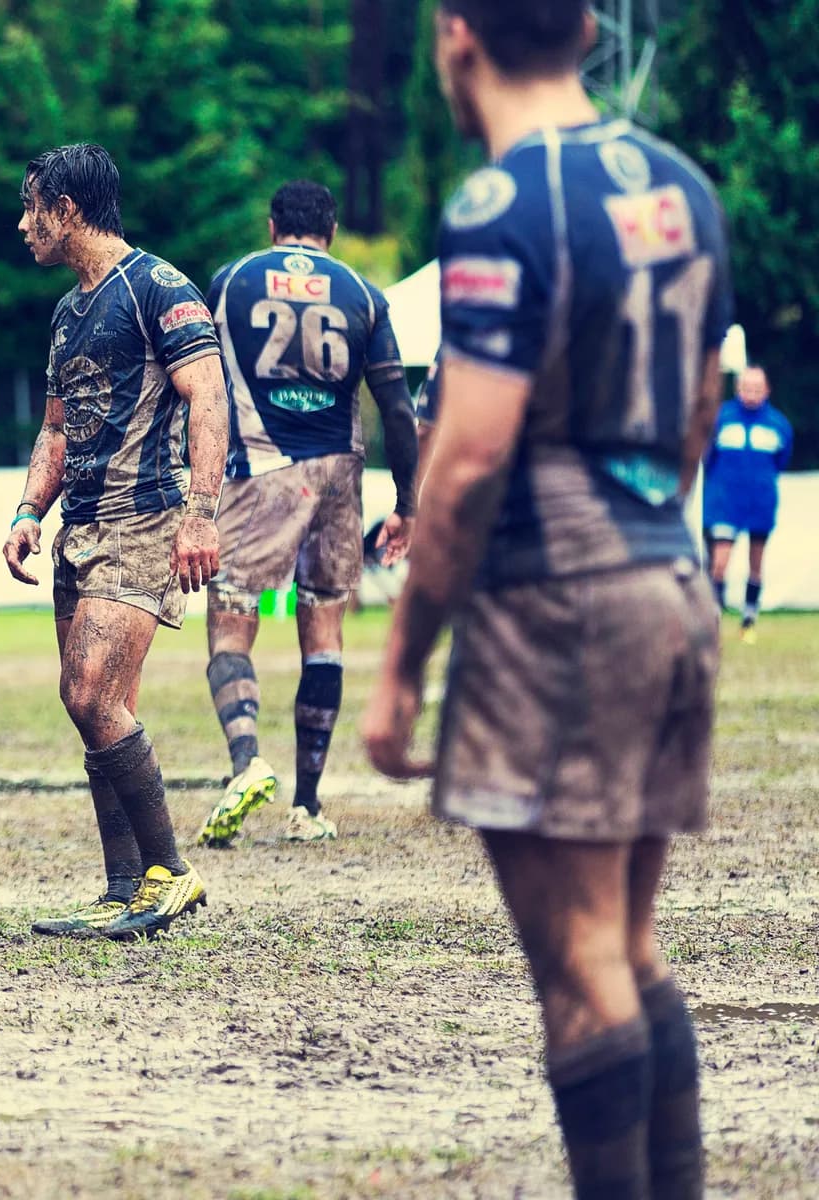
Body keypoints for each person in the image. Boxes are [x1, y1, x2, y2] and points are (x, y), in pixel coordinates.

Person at [365, 3, 728, 1194]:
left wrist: (406, 657)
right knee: (625, 943)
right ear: (583, 27)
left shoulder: (500, 205)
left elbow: (465, 463)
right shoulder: (685, 190)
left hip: (558, 591)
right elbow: (695, 419)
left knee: (578, 964)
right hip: (667, 574)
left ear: (457, 36)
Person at [1, 142, 224, 942]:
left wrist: (202, 511)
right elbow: (57, 429)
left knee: (93, 694)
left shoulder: (159, 288)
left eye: (33, 207)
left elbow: (209, 395)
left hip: (147, 519)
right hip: (81, 525)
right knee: (95, 704)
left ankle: (172, 872)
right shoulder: (67, 312)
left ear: (67, 210)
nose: (23, 223)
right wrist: (29, 510)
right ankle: (125, 885)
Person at [195, 180, 422, 847]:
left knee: (231, 626)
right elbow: (398, 409)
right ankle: (308, 805)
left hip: (259, 472)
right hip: (338, 478)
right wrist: (408, 503)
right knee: (323, 633)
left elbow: (197, 383)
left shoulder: (231, 280)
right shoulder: (361, 292)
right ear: (331, 229)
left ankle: (245, 763)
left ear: (273, 227)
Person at [703, 364, 790, 642]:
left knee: (756, 562)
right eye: (746, 387)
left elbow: (781, 461)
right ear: (738, 388)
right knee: (719, 562)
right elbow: (708, 457)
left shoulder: (779, 425)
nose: (751, 393)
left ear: (766, 390)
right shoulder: (721, 419)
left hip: (760, 503)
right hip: (725, 502)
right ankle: (713, 620)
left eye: (757, 388)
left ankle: (749, 619)